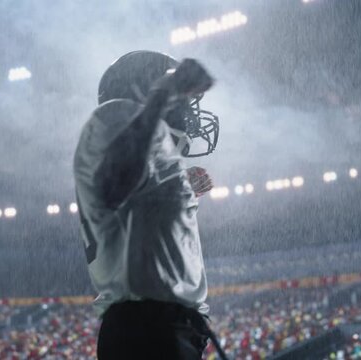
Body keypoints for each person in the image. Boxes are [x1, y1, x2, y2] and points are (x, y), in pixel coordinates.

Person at [73, 50, 225, 359]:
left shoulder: (135, 138)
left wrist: (179, 189)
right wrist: (163, 94)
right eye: (183, 98)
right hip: (149, 329)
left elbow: (132, 207)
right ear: (145, 89)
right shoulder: (116, 112)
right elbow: (114, 184)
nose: (189, 110)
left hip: (162, 327)